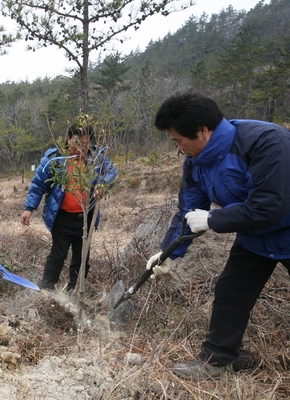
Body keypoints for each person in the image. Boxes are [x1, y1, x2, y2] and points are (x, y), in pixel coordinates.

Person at [147, 92, 290, 380]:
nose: (179, 149)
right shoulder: (196, 162)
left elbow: (271, 205)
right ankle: (216, 361)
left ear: (203, 130)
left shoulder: (266, 142)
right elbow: (188, 210)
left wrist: (214, 219)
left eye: (179, 141)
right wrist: (167, 254)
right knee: (230, 293)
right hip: (256, 239)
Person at [21, 123, 117, 292]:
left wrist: (103, 184)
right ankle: (47, 287)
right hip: (62, 217)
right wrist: (29, 208)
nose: (80, 148)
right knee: (58, 254)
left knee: (82, 256)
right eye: (76, 143)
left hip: (85, 217)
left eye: (84, 143)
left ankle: (75, 289)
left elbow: (110, 173)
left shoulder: (97, 158)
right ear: (68, 140)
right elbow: (38, 184)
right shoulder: (55, 159)